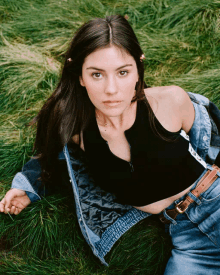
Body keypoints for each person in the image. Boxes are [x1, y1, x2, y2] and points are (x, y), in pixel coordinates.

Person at [1, 14, 220, 274]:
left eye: (123, 72)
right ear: (80, 76)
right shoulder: (77, 132)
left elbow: (214, 133)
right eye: (97, 74)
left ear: (138, 70)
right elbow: (57, 162)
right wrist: (26, 189)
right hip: (186, 237)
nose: (111, 89)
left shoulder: (169, 102)